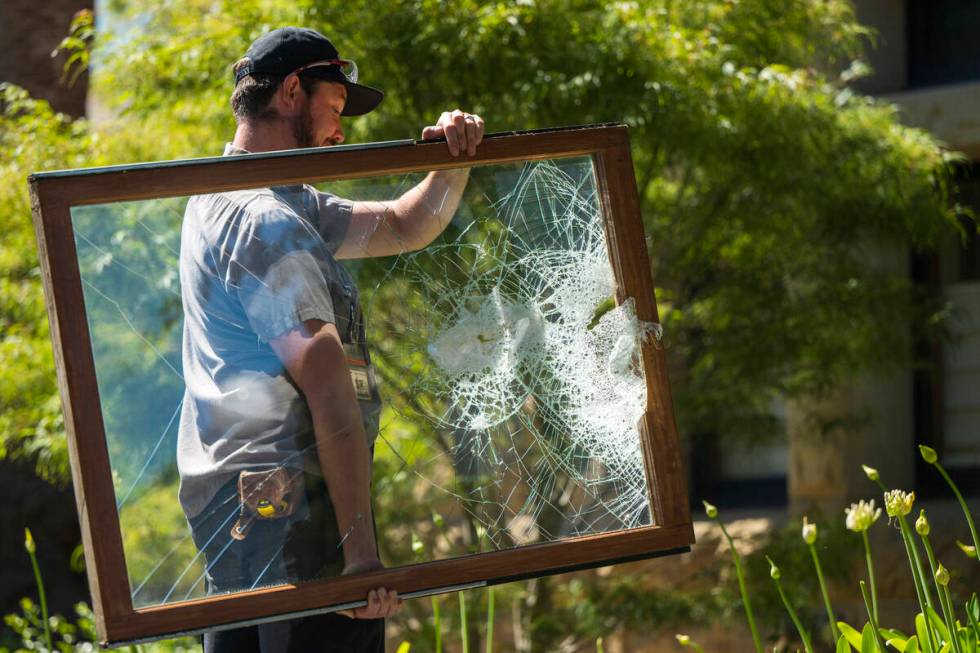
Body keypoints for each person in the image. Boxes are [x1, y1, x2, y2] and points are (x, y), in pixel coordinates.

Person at [176, 26, 485, 652]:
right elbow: (324, 372)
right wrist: (361, 556)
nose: (340, 132)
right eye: (334, 110)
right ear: (291, 91)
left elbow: (402, 224)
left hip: (266, 514)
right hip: (283, 518)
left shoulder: (272, 199)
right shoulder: (261, 218)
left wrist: (454, 160)